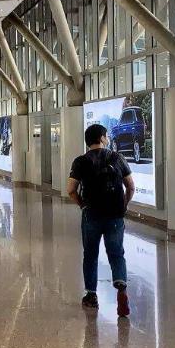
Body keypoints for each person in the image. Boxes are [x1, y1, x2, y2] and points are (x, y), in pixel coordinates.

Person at [67, 124, 135, 317]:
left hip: (91, 214)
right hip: (115, 215)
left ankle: (91, 295)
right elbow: (130, 186)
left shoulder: (80, 161)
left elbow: (71, 190)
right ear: (103, 138)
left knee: (90, 255)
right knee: (116, 253)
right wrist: (124, 205)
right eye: (106, 136)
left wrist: (82, 205)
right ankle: (121, 288)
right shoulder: (117, 158)